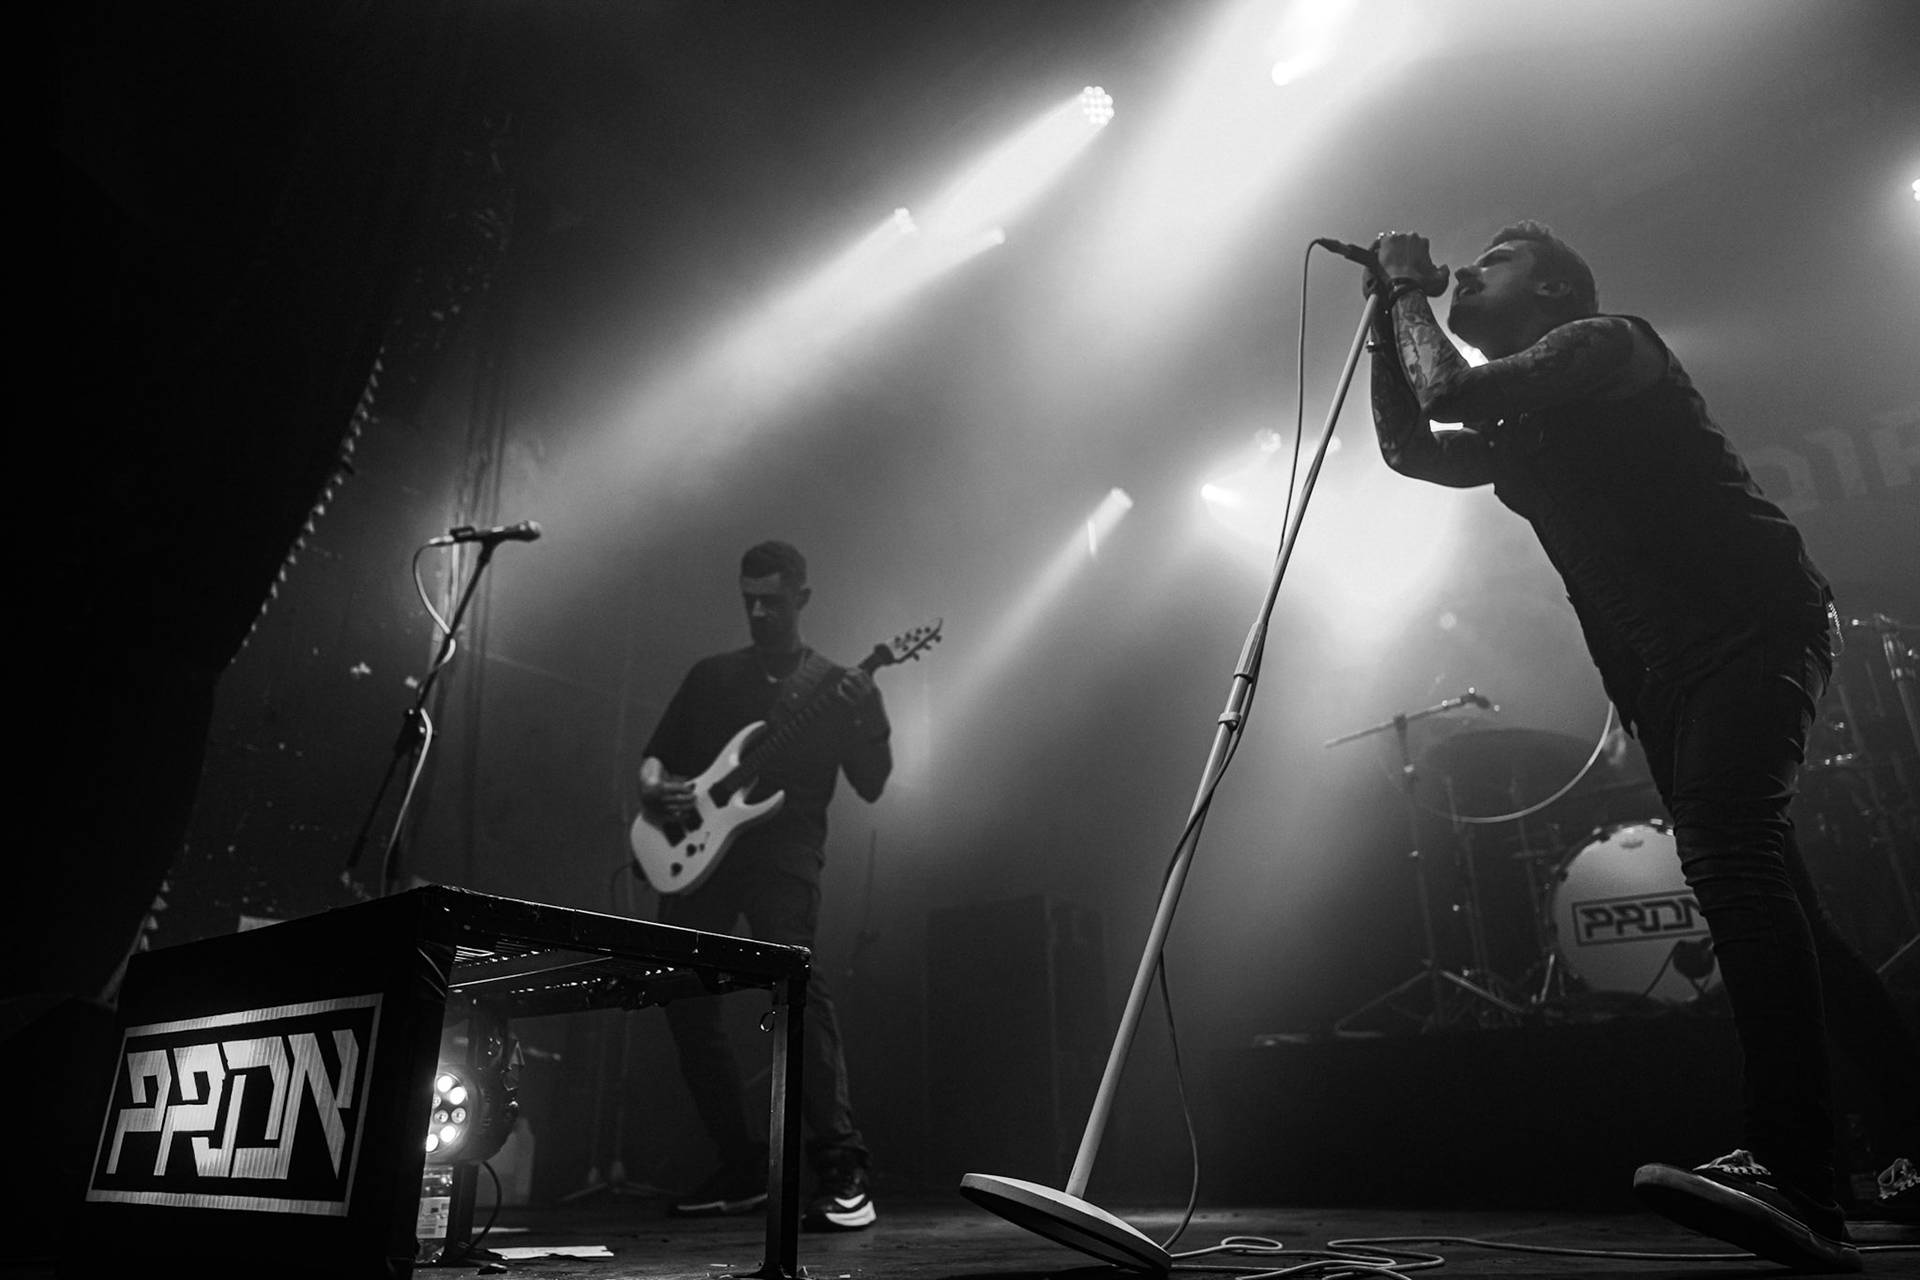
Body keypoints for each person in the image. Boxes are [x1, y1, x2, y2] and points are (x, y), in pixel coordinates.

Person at [1362, 221, 1918, 1271]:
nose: (1469, 270)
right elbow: (1411, 446)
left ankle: (1797, 1170)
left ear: (1554, 288)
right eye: (1465, 264)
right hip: (1664, 672)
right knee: (1782, 904)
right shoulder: (1523, 425)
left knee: (1729, 856)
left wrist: (1405, 290)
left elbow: (1448, 396)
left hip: (1755, 628)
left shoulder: (1608, 342)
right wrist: (1390, 319)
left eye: (1497, 260)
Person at [636, 540, 891, 1231]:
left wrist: (867, 713)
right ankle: (741, 1164)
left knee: (796, 987)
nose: (757, 611)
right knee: (682, 998)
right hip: (702, 854)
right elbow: (654, 764)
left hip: (784, 850)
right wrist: (660, 790)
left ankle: (843, 1169)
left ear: (801, 599)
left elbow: (872, 783)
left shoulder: (838, 686)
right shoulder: (712, 676)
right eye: (748, 598)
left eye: (772, 601)